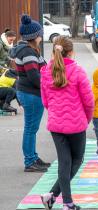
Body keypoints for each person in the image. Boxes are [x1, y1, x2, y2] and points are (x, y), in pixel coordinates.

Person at [40, 36, 94, 210]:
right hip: (76, 124)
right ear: (71, 51)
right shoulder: (77, 71)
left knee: (64, 162)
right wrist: (86, 119)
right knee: (76, 160)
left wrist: (56, 114)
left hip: (56, 124)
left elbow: (45, 101)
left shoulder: (45, 72)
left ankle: (54, 197)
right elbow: (89, 101)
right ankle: (66, 202)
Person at [10, 15, 50, 172]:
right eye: (39, 33)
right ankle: (30, 161)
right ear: (34, 36)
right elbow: (34, 77)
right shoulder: (28, 53)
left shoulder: (29, 50)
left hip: (28, 93)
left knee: (31, 128)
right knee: (30, 129)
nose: (41, 35)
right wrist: (48, 86)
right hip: (31, 94)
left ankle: (33, 157)